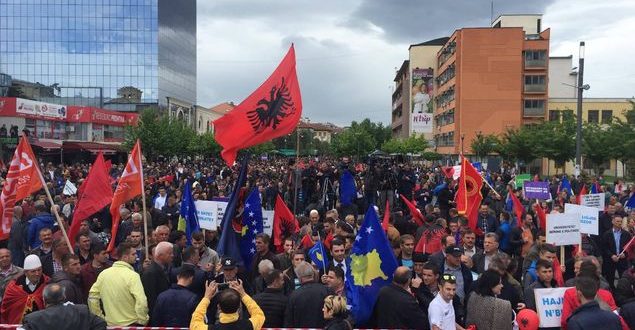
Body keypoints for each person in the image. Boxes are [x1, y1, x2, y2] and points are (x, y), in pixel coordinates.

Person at [88, 242, 149, 326]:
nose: (136, 256)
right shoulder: (133, 275)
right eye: (133, 254)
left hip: (110, 324)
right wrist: (142, 320)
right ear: (125, 257)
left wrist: (100, 317)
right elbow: (141, 301)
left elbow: (92, 297)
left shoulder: (103, 274)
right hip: (131, 324)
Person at [21, 283, 106, 330]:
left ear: (44, 299)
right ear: (64, 297)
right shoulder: (81, 311)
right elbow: (101, 324)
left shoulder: (33, 319)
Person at [190, 279, 265, 330]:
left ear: (218, 307)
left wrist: (206, 297)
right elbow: (259, 314)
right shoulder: (248, 326)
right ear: (239, 306)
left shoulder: (211, 329)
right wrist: (243, 294)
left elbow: (195, 322)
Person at [0, 254, 49, 324]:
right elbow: (5, 308)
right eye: (33, 271)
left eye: (39, 270)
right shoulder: (13, 287)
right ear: (25, 272)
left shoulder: (48, 283)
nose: (37, 273)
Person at [284, 261, 332, 328]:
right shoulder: (326, 291)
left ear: (299, 277)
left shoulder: (294, 296)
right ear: (313, 274)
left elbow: (289, 321)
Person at [141, 241, 173, 317]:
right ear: (160, 255)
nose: (172, 255)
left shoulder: (165, 269)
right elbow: (150, 299)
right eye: (170, 253)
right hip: (156, 316)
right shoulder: (150, 273)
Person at [602, 214, 632, 289]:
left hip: (622, 260)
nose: (619, 223)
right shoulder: (607, 234)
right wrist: (611, 255)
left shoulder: (626, 234)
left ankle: (623, 293)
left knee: (624, 279)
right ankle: (613, 294)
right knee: (610, 279)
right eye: (617, 221)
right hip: (611, 260)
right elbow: (604, 248)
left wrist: (625, 254)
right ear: (613, 222)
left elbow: (629, 247)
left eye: (621, 221)